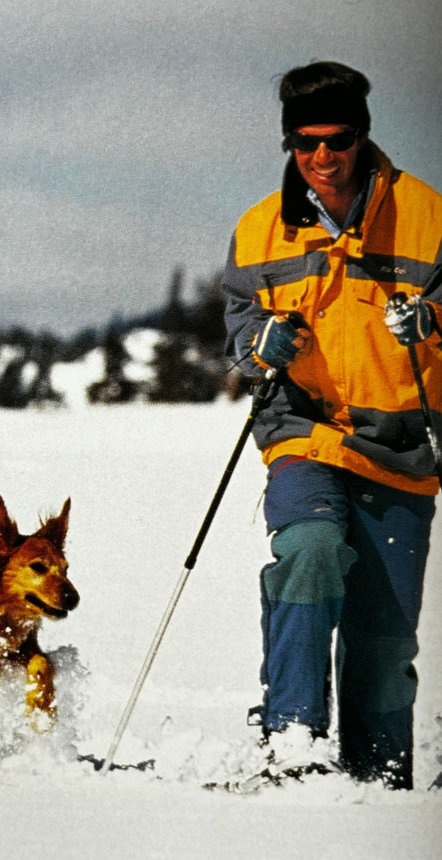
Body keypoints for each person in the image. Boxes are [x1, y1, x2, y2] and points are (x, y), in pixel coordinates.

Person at [221, 61, 442, 790]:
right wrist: (261, 346)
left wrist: (431, 323)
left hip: (402, 448)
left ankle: (378, 781)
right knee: (310, 550)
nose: (321, 157)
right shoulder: (260, 230)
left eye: (337, 139)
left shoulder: (428, 216)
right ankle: (291, 738)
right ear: (290, 142)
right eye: (305, 142)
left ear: (362, 135)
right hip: (303, 434)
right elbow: (239, 327)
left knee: (383, 644)